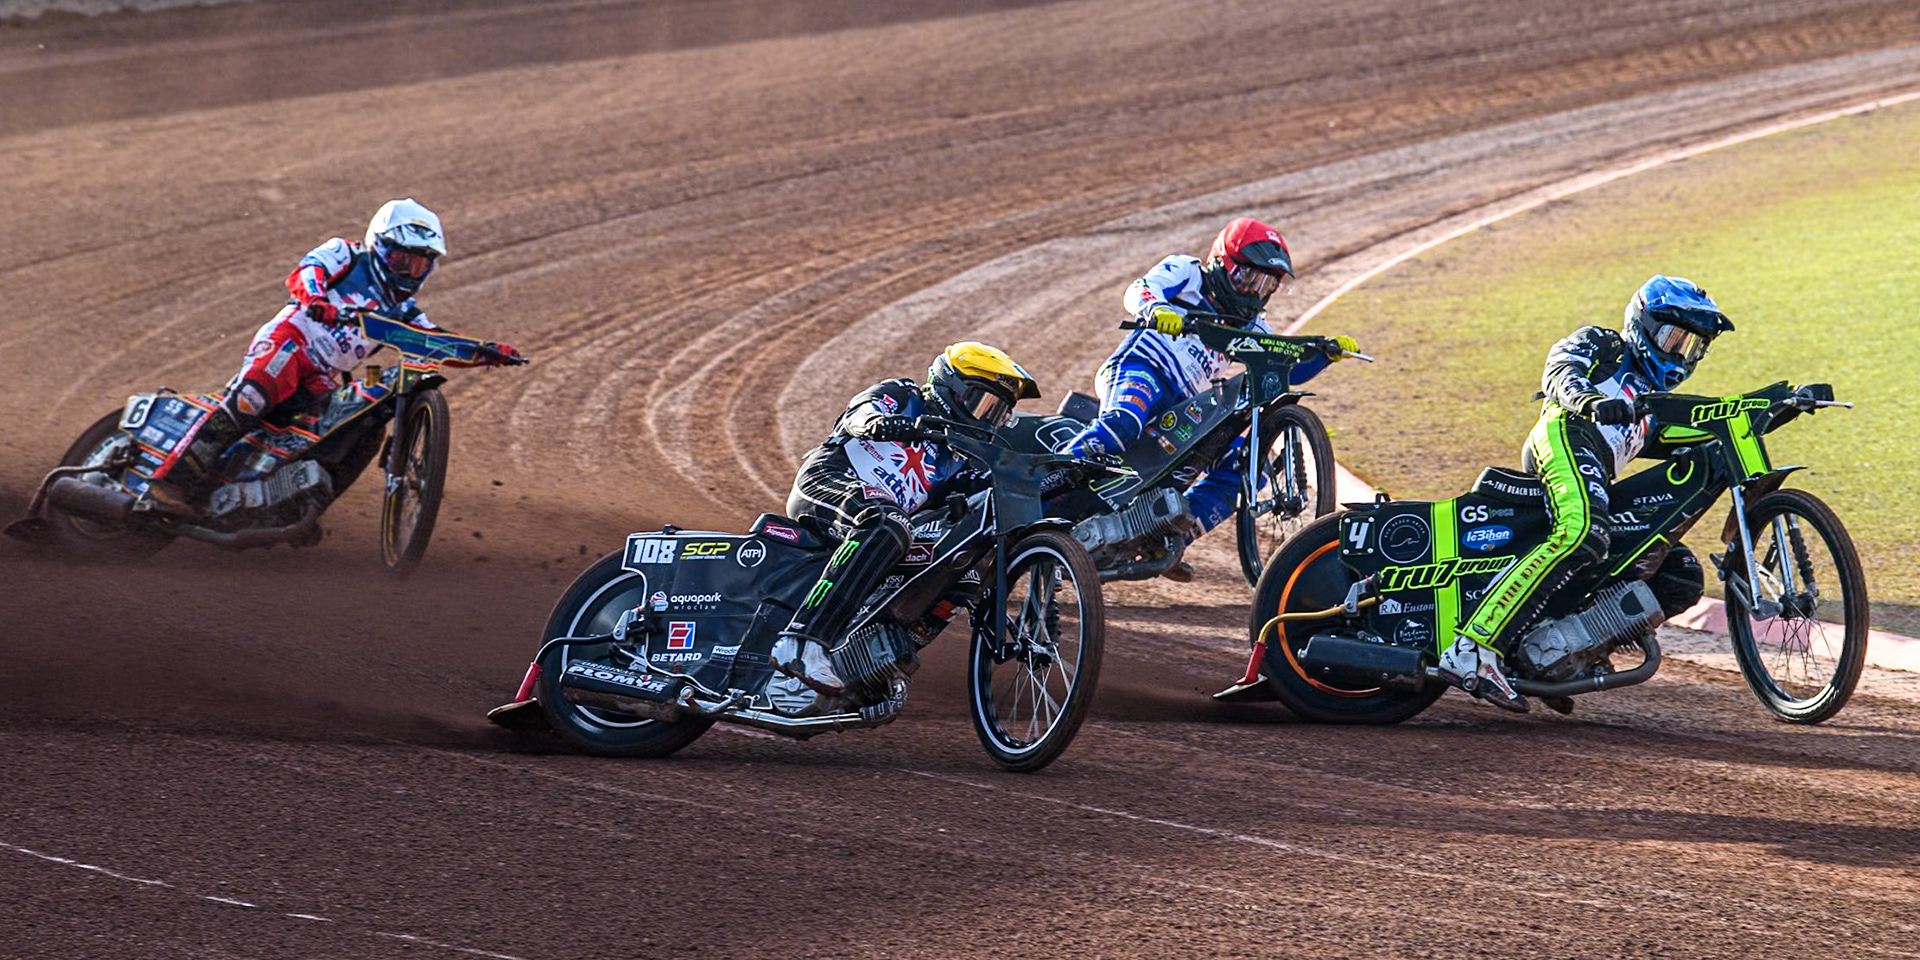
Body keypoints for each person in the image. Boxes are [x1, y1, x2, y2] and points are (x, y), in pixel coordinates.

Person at [1441, 274, 1734, 711]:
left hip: (1594, 472)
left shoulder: (1651, 405)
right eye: (1674, 339)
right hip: (1565, 432)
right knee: (1583, 530)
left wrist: (1776, 408)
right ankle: (1471, 649)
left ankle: (1560, 653)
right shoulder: (1604, 344)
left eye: (1692, 347)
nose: (1681, 355)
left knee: (1680, 575)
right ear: (1644, 325)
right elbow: (1560, 370)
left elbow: (1699, 432)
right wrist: (1590, 401)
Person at [149, 198, 519, 504]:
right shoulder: (346, 254)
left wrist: (484, 352)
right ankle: (172, 479)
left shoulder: (402, 311)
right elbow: (308, 270)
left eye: (419, 263)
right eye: (400, 260)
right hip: (290, 342)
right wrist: (315, 298)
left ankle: (298, 502)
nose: (408, 272)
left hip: (318, 378)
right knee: (255, 392)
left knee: (360, 428)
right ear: (378, 245)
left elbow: (434, 341)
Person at [1063, 217, 1359, 579]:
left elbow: (1280, 373)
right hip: (1140, 368)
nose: (1254, 291)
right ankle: (1039, 482)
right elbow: (1138, 289)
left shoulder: (1253, 328)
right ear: (1223, 261)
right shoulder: (1188, 273)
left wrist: (1323, 356)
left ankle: (1169, 537)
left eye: (1267, 284)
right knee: (1123, 423)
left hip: (1182, 409)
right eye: (1248, 277)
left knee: (1247, 467)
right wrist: (1157, 309)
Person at [772, 342, 1040, 694]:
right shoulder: (902, 393)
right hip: (828, 480)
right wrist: (886, 425)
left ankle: (880, 659)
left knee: (964, 572)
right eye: (982, 404)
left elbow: (997, 487)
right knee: (889, 523)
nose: (987, 420)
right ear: (951, 389)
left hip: (877, 527)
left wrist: (1064, 476)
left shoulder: (956, 459)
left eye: (997, 413)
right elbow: (860, 416)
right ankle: (801, 643)